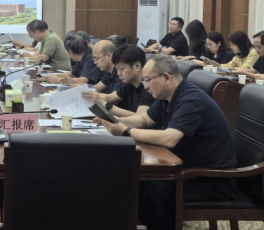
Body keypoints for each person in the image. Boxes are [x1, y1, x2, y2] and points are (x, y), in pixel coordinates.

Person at [94, 54, 236, 230]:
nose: (145, 86)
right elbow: (144, 120)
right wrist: (113, 120)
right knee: (133, 180)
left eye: (148, 80)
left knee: (147, 188)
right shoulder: (167, 96)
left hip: (209, 180)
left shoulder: (191, 100)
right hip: (186, 169)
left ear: (166, 77)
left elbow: (169, 138)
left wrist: (125, 131)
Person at [82, 44, 155, 118]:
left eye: (121, 69)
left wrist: (106, 105)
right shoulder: (130, 83)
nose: (118, 73)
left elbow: (141, 118)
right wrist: (86, 95)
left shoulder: (149, 87)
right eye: (117, 69)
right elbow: (110, 97)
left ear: (137, 66)